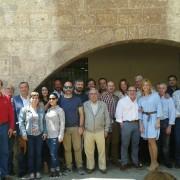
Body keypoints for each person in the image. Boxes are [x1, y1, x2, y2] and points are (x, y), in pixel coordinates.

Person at [19, 92, 46, 179]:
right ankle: (31, 172)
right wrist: (23, 133)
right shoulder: (25, 109)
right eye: (33, 98)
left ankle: (37, 171)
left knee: (38, 154)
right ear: (30, 99)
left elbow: (44, 122)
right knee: (30, 154)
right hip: (29, 135)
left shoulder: (41, 109)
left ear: (38, 100)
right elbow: (21, 122)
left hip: (39, 135)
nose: (35, 99)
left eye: (36, 98)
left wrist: (45, 132)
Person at [59, 81, 85, 175]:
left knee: (78, 148)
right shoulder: (60, 100)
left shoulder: (77, 99)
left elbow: (81, 114)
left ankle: (79, 167)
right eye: (66, 87)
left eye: (70, 87)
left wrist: (81, 126)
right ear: (63, 88)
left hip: (75, 127)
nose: (68, 89)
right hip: (65, 128)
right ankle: (69, 167)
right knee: (67, 149)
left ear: (72, 88)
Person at [83, 88, 110, 173]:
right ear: (89, 95)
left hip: (100, 131)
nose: (93, 95)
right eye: (91, 94)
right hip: (88, 131)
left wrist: (106, 130)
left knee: (101, 150)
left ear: (98, 95)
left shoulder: (103, 104)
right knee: (89, 151)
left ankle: (102, 167)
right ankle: (90, 167)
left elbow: (107, 118)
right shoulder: (85, 104)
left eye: (95, 93)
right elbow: (82, 118)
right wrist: (83, 130)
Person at [138, 79, 162, 171]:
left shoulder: (155, 96)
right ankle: (153, 162)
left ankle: (155, 162)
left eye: (147, 85)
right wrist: (141, 125)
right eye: (144, 85)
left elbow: (159, 107)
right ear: (142, 87)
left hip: (153, 118)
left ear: (150, 86)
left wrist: (158, 120)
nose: (146, 86)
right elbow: (139, 112)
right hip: (144, 120)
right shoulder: (140, 98)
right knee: (149, 142)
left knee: (152, 141)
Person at [116, 86, 141, 170]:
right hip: (126, 124)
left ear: (136, 91)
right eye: (130, 90)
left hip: (137, 124)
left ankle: (135, 161)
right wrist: (121, 124)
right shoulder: (122, 101)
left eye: (134, 90)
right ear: (127, 92)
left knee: (135, 144)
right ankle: (124, 163)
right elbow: (118, 113)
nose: (132, 92)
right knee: (125, 144)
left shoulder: (139, 100)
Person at [45, 93, 65, 177]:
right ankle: (55, 169)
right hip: (48, 136)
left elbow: (63, 123)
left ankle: (56, 170)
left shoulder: (60, 110)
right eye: (50, 98)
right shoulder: (49, 110)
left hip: (56, 136)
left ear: (57, 99)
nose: (51, 100)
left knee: (53, 154)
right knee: (53, 153)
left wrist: (61, 135)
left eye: (53, 98)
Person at [100, 81, 119, 165]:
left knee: (115, 142)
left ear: (114, 87)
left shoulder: (116, 98)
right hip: (105, 123)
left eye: (112, 86)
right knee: (106, 142)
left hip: (115, 123)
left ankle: (114, 159)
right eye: (109, 86)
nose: (111, 87)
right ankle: (105, 161)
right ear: (106, 87)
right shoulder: (102, 97)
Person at [13, 82, 29, 177]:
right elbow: (13, 114)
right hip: (20, 129)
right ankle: (22, 171)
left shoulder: (31, 99)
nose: (23, 89)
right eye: (21, 87)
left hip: (31, 129)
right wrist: (14, 128)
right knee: (21, 150)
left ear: (28, 88)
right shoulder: (15, 99)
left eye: (25, 87)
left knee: (30, 150)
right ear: (19, 89)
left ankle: (30, 169)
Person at [158, 83, 175, 168]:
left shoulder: (169, 99)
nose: (161, 90)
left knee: (166, 145)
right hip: (156, 122)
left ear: (166, 89)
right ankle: (158, 160)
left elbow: (172, 113)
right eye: (160, 88)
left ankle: (167, 161)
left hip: (165, 122)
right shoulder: (156, 98)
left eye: (163, 88)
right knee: (157, 143)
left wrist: (170, 126)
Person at [0, 79, 14, 180]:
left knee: (4, 151)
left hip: (4, 127)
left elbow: (11, 114)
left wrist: (11, 127)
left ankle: (4, 174)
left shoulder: (6, 98)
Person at [5, 85, 15, 175]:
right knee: (6, 150)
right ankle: (6, 171)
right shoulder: (4, 100)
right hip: (5, 128)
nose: (10, 90)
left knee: (12, 151)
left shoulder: (15, 100)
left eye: (12, 89)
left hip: (14, 129)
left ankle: (10, 169)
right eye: (8, 89)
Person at [172, 89, 180, 168]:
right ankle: (178, 161)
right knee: (178, 141)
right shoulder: (176, 93)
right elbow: (173, 107)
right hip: (178, 119)